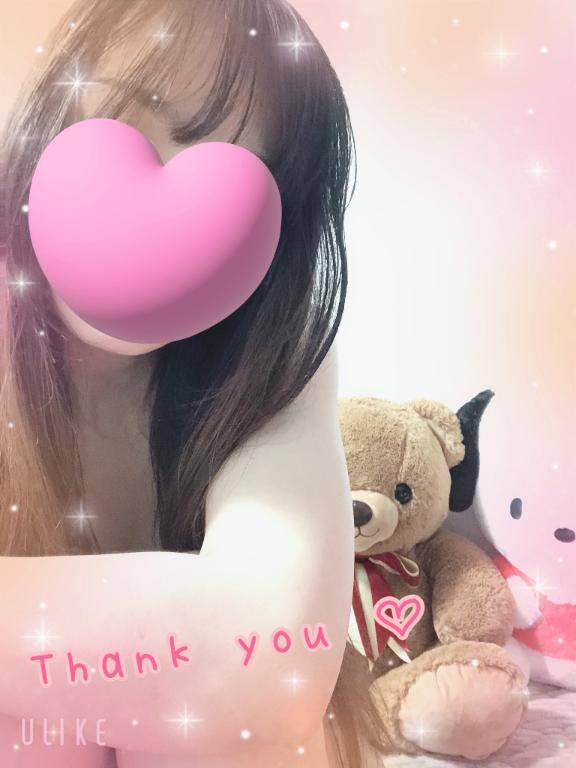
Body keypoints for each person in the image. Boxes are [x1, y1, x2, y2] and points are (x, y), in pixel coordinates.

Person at [0, 1, 387, 766]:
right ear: (48, 107)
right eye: (131, 117)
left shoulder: (274, 352)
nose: (174, 222)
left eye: (241, 185)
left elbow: (267, 663)